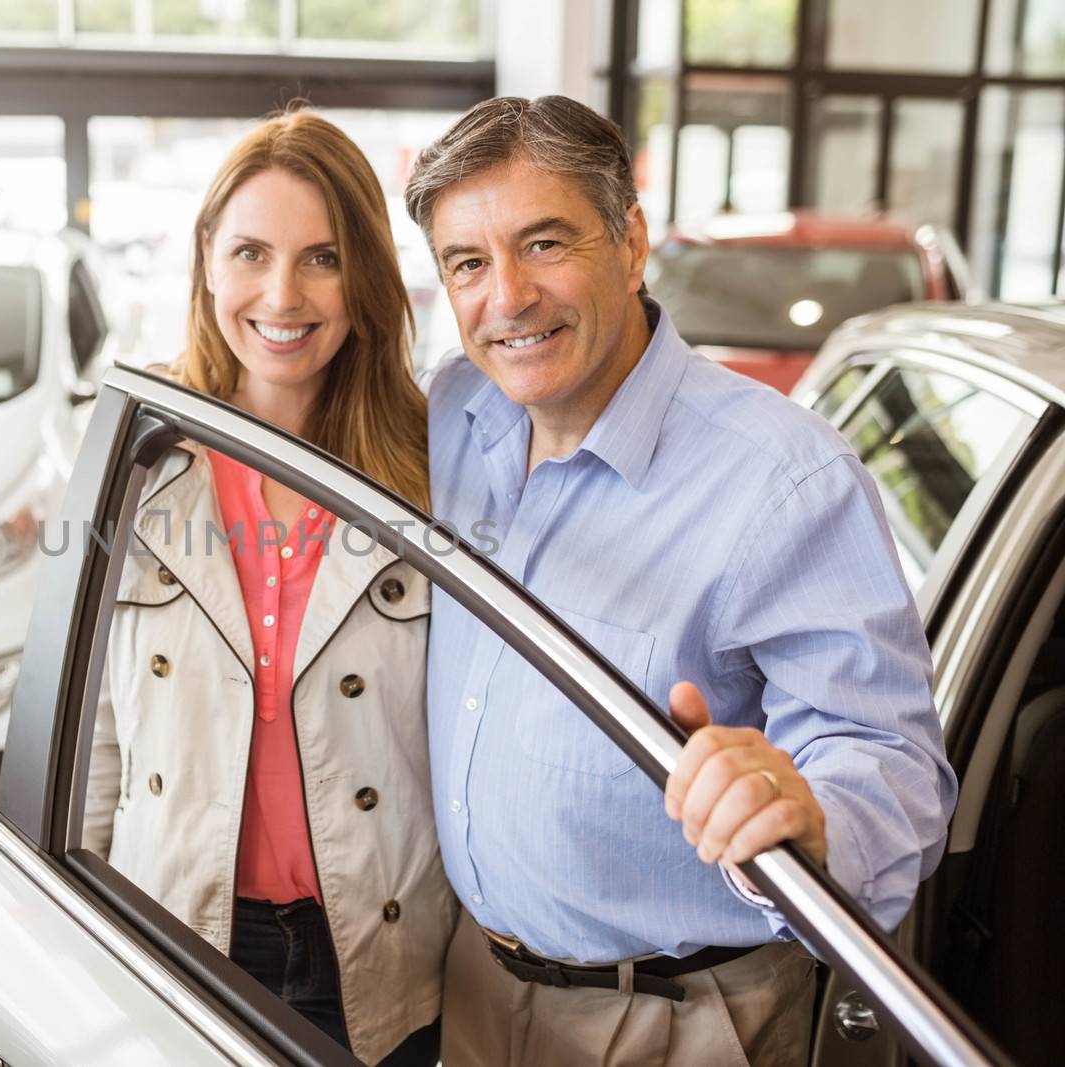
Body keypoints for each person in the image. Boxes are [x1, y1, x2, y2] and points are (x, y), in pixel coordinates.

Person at [404, 95, 958, 1066]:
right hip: (472, 993)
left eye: (542, 243)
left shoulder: (782, 478)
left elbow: (888, 758)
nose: (507, 297)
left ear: (628, 241)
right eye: (467, 263)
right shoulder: (457, 410)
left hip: (677, 1021)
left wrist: (808, 810)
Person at [81, 110, 454, 1067]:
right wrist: (67, 920)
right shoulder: (133, 456)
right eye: (251, 251)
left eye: (322, 258)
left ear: (364, 276)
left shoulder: (437, 470)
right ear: (207, 256)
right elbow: (91, 742)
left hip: (377, 942)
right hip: (177, 931)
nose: (282, 294)